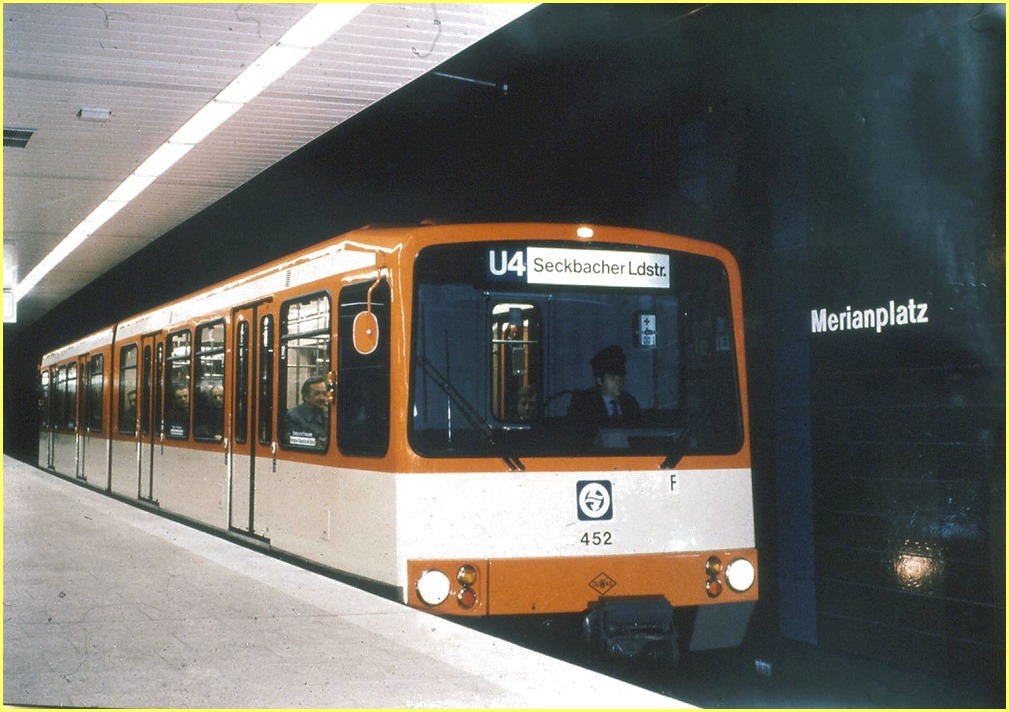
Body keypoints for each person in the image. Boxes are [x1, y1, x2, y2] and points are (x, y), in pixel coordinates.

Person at [566, 345, 640, 437]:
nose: (618, 382)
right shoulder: (583, 404)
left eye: (620, 377)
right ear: (600, 380)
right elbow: (577, 438)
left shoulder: (630, 403)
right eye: (612, 378)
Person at [284, 376, 329, 448]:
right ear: (305, 396)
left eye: (324, 394)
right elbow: (294, 441)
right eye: (317, 394)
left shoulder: (330, 413)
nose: (322, 398)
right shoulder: (293, 416)